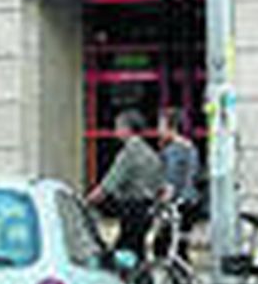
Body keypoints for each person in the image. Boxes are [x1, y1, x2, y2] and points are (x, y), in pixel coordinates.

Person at [86, 109, 164, 257]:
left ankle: (128, 279)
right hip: (147, 208)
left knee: (122, 251)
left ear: (127, 129)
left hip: (132, 208)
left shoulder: (129, 153)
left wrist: (87, 201)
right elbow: (159, 183)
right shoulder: (150, 152)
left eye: (117, 127)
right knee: (138, 251)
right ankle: (143, 279)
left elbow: (110, 182)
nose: (116, 131)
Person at [156, 106, 201, 260]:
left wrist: (160, 206)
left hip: (178, 205)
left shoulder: (173, 150)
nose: (158, 130)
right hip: (191, 203)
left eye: (161, 125)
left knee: (162, 246)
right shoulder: (191, 147)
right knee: (181, 247)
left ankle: (175, 281)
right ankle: (185, 281)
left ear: (172, 127)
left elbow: (171, 182)